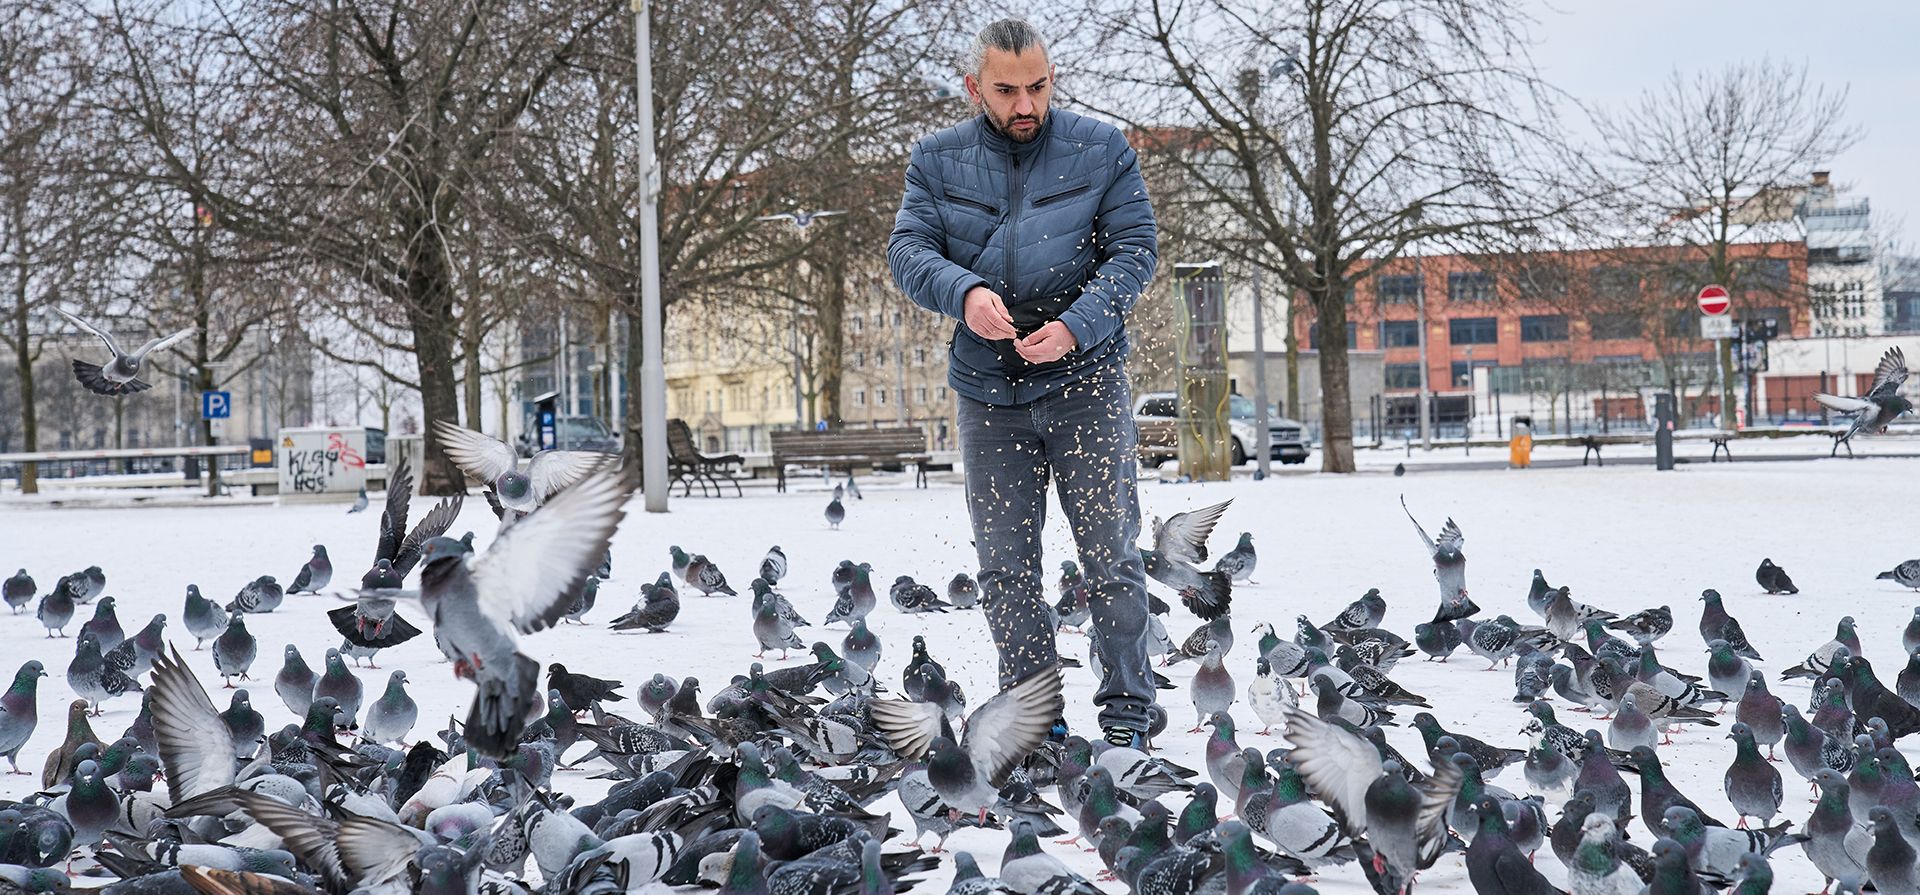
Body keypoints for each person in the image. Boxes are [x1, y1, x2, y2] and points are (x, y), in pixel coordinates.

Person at [887, 18, 1159, 747]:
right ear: (975, 88)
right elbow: (908, 249)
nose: (1025, 103)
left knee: (1111, 554)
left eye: (1037, 86)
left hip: (1086, 380)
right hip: (988, 391)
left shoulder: (1101, 151)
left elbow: (1135, 250)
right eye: (1006, 90)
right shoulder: (937, 162)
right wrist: (964, 291)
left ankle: (1130, 705)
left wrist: (1078, 324)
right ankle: (1035, 717)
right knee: (1005, 570)